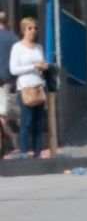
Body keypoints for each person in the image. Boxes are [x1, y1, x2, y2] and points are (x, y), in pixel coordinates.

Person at [8, 13, 50, 160]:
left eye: (35, 28)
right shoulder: (17, 48)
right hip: (25, 88)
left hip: (38, 86)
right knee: (27, 121)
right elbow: (14, 69)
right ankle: (24, 152)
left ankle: (38, 152)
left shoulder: (38, 47)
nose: (33, 31)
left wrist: (44, 66)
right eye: (29, 28)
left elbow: (41, 63)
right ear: (23, 30)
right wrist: (34, 66)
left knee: (39, 123)